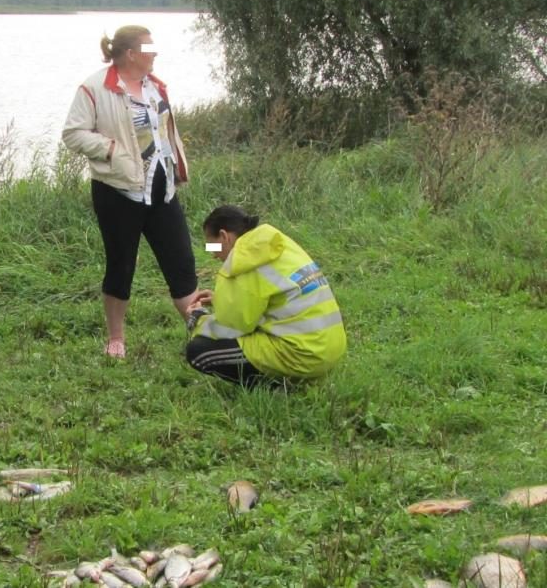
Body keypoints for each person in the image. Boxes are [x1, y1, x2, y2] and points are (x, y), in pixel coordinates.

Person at [62, 25, 198, 359]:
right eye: (150, 48)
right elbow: (73, 134)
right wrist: (111, 150)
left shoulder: (156, 87)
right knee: (121, 265)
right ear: (130, 54)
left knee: (181, 261)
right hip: (117, 191)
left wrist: (177, 163)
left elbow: (166, 132)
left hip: (161, 189)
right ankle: (116, 339)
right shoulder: (95, 87)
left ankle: (202, 333)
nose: (155, 53)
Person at [185, 205, 346, 387]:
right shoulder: (277, 243)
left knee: (198, 353)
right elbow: (271, 298)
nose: (213, 254)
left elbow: (231, 329)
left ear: (224, 236)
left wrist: (197, 319)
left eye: (212, 245)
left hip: (305, 356)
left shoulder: (242, 262)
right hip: (330, 349)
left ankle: (274, 389)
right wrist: (220, 300)